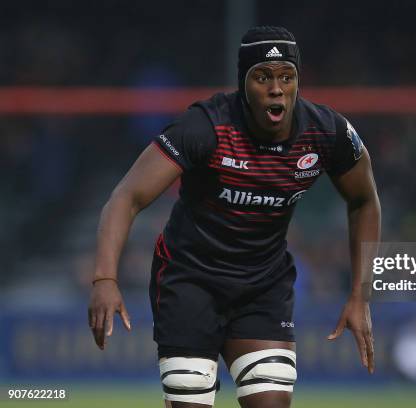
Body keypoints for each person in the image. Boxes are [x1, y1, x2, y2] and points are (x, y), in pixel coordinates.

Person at [88, 26, 381, 408]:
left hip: (262, 285)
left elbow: (364, 200)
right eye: (263, 77)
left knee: (272, 403)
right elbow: (125, 197)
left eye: (286, 77)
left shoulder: (328, 133)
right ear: (243, 84)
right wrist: (105, 278)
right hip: (190, 279)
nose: (276, 88)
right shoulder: (205, 126)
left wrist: (361, 296)